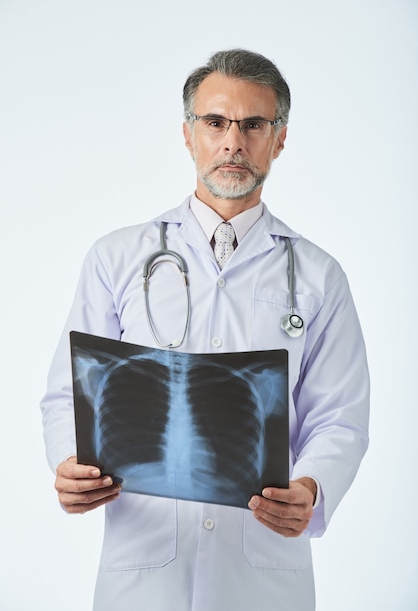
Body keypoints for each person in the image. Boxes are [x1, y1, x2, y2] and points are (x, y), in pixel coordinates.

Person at [41, 49, 370, 611]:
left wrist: (311, 488)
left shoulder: (319, 276)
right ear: (188, 134)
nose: (233, 141)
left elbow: (339, 415)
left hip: (263, 579)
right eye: (216, 122)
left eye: (253, 124)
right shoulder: (116, 258)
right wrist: (69, 463)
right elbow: (68, 397)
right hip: (143, 576)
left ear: (280, 139)